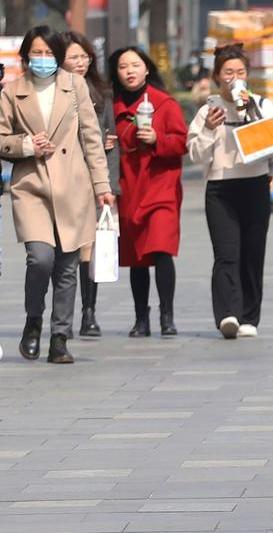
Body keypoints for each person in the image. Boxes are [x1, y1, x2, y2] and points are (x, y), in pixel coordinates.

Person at [0, 25, 114, 364]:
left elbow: (92, 139)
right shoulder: (12, 92)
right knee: (40, 258)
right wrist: (25, 144)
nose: (43, 59)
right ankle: (33, 320)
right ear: (25, 56)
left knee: (67, 265)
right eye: (37, 53)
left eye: (49, 53)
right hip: (31, 185)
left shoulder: (75, 85)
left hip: (73, 184)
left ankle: (60, 336)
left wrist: (102, 186)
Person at [187, 44, 273, 339]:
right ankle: (227, 314)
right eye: (228, 72)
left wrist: (253, 113)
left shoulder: (262, 103)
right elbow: (195, 154)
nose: (234, 78)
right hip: (220, 188)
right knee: (226, 254)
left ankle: (249, 317)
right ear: (218, 76)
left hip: (255, 184)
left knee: (253, 253)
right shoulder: (209, 109)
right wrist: (208, 128)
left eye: (240, 72)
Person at [109, 47, 187, 337]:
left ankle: (168, 315)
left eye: (135, 65)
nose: (129, 71)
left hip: (161, 188)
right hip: (129, 189)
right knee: (136, 257)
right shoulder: (112, 108)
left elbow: (181, 143)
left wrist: (157, 139)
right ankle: (141, 318)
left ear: (147, 69)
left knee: (162, 249)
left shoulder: (164, 104)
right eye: (122, 66)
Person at [60, 30, 120, 338]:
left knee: (89, 248)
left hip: (92, 182)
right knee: (62, 250)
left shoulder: (101, 91)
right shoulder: (54, 93)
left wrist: (107, 186)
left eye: (85, 56)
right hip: (62, 180)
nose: (81, 62)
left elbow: (108, 138)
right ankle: (63, 316)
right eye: (74, 57)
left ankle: (88, 312)